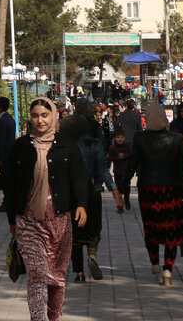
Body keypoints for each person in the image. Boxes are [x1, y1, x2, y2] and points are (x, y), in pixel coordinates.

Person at [4, 97, 89, 321]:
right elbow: (10, 185)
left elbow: (79, 179)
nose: (40, 120)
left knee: (57, 276)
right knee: (37, 273)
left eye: (44, 115)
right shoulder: (21, 146)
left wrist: (81, 205)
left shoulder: (67, 146)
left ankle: (54, 316)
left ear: (53, 116)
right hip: (28, 219)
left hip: (60, 220)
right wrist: (12, 218)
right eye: (35, 115)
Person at [128, 103, 183, 286]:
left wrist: (121, 185)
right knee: (172, 228)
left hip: (148, 190)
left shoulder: (139, 138)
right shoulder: (176, 139)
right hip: (171, 190)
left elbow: (132, 163)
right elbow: (182, 169)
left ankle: (155, 263)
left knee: (151, 227)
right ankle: (168, 268)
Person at [62, 101, 123, 283]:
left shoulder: (66, 142)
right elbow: (103, 170)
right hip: (93, 189)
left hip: (72, 192)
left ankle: (79, 273)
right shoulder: (94, 142)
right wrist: (115, 191)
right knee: (93, 227)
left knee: (74, 231)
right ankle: (92, 257)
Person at [0, 96, 16, 213]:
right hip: (10, 154)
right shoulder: (10, 119)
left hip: (5, 155)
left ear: (0, 106)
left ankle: (6, 203)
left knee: (6, 180)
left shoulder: (3, 120)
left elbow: (1, 140)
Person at [106, 128, 132, 213]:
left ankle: (127, 199)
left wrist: (124, 155)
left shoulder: (127, 146)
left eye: (121, 137)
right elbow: (109, 158)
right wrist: (117, 157)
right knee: (118, 189)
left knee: (127, 187)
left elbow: (132, 155)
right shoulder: (112, 147)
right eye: (118, 137)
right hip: (117, 171)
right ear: (114, 138)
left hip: (126, 171)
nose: (120, 139)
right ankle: (120, 206)